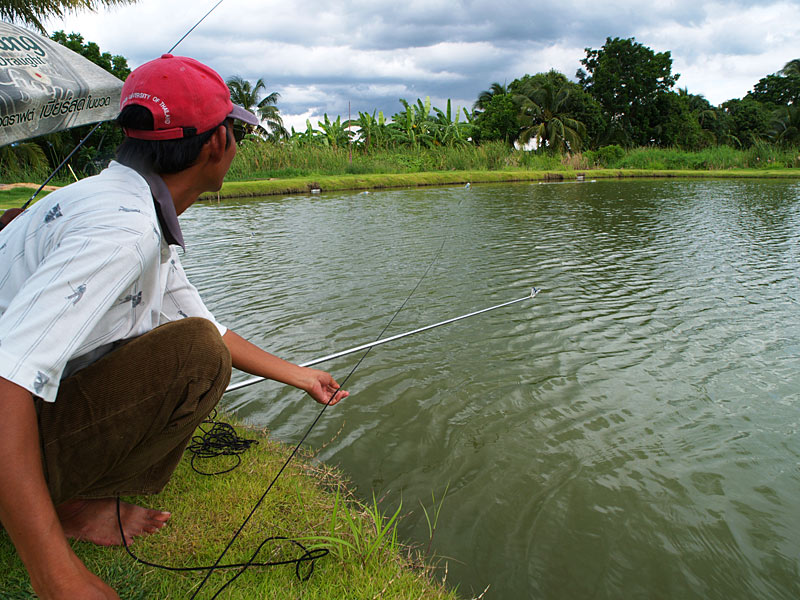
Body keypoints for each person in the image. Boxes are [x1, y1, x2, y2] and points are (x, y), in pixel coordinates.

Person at [0, 54, 348, 600]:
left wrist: (301, 375)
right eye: (234, 131)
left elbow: (204, 322)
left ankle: (72, 497)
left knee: (196, 343)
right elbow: (7, 378)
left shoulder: (115, 202)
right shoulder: (124, 233)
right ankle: (68, 508)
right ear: (217, 146)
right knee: (197, 357)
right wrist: (56, 576)